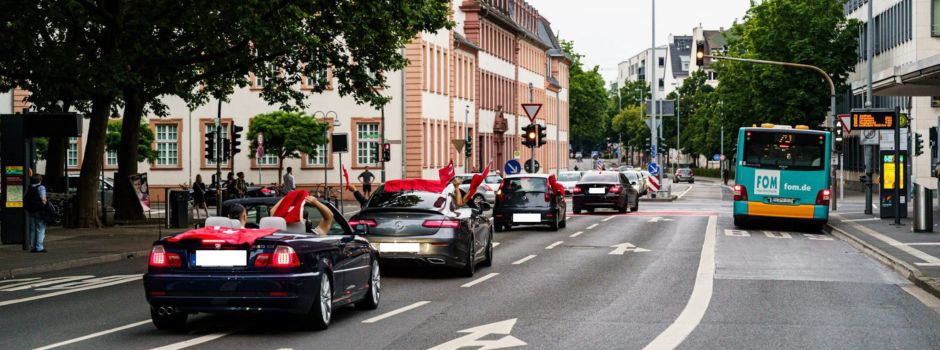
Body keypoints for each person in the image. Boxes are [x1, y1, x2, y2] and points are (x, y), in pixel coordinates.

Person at [24, 174, 47, 253]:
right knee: (40, 229)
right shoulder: (41, 187)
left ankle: (33, 247)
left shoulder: (30, 188)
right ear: (40, 180)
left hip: (31, 211)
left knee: (33, 229)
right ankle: (39, 247)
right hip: (39, 211)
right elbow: (43, 200)